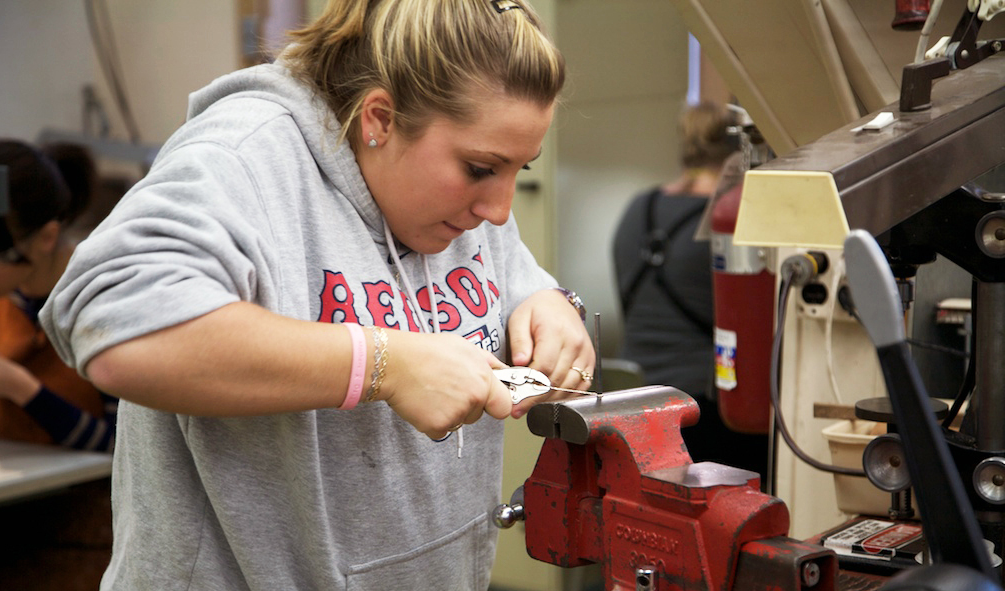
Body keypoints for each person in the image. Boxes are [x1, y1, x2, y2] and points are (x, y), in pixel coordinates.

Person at [39, 1, 593, 589]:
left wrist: (548, 301)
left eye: (518, 168)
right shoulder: (244, 156)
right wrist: (386, 365)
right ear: (379, 118)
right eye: (482, 169)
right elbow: (119, 326)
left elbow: (510, 278)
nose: (500, 210)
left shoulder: (461, 201)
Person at [611, 101, 769, 477]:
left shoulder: (638, 206)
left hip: (633, 403)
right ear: (740, 150)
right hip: (703, 410)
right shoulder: (730, 222)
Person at [0, 139, 116, 452]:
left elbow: (123, 447)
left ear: (46, 237)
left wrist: (19, 387)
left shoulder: (101, 303)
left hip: (81, 496)